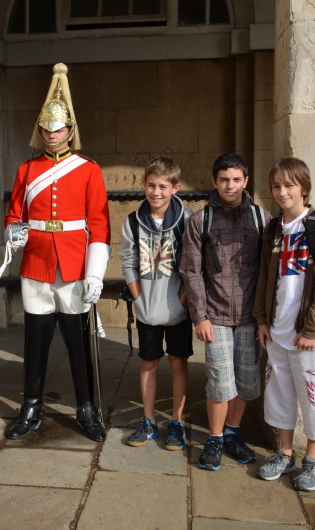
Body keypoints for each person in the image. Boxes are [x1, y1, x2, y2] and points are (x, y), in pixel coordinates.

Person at [3, 63, 111, 442]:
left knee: (78, 344)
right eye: (47, 130)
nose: (52, 135)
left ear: (70, 131)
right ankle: (31, 406)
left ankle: (86, 408)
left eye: (58, 129)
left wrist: (94, 273)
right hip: (36, 262)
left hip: (74, 265)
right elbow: (14, 215)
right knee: (35, 343)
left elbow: (99, 225)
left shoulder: (88, 170)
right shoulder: (26, 169)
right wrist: (14, 233)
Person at [254, 157, 315, 491]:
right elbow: (265, 278)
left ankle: (314, 460)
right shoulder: (274, 229)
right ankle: (285, 453)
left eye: (289, 185)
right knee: (279, 395)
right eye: (276, 186)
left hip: (310, 336)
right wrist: (262, 320)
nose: (282, 192)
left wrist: (312, 329)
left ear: (304, 188)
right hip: (277, 331)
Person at [179, 153, 270, 471]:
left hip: (250, 318)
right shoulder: (200, 220)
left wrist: (263, 318)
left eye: (236, 179)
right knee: (219, 383)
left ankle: (233, 433)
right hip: (215, 316)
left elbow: (268, 271)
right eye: (224, 180)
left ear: (246, 181)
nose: (230, 186)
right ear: (214, 181)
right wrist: (200, 316)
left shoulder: (261, 219)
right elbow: (191, 271)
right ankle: (215, 439)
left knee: (246, 381)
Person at [119, 157, 193, 450]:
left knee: (178, 363)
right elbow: (128, 262)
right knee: (148, 362)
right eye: (151, 185)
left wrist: (184, 301)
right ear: (143, 185)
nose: (156, 192)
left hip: (178, 309)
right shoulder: (132, 222)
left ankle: (177, 423)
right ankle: (148, 421)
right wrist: (138, 297)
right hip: (147, 308)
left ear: (175, 187)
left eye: (163, 186)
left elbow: (194, 264)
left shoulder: (187, 219)